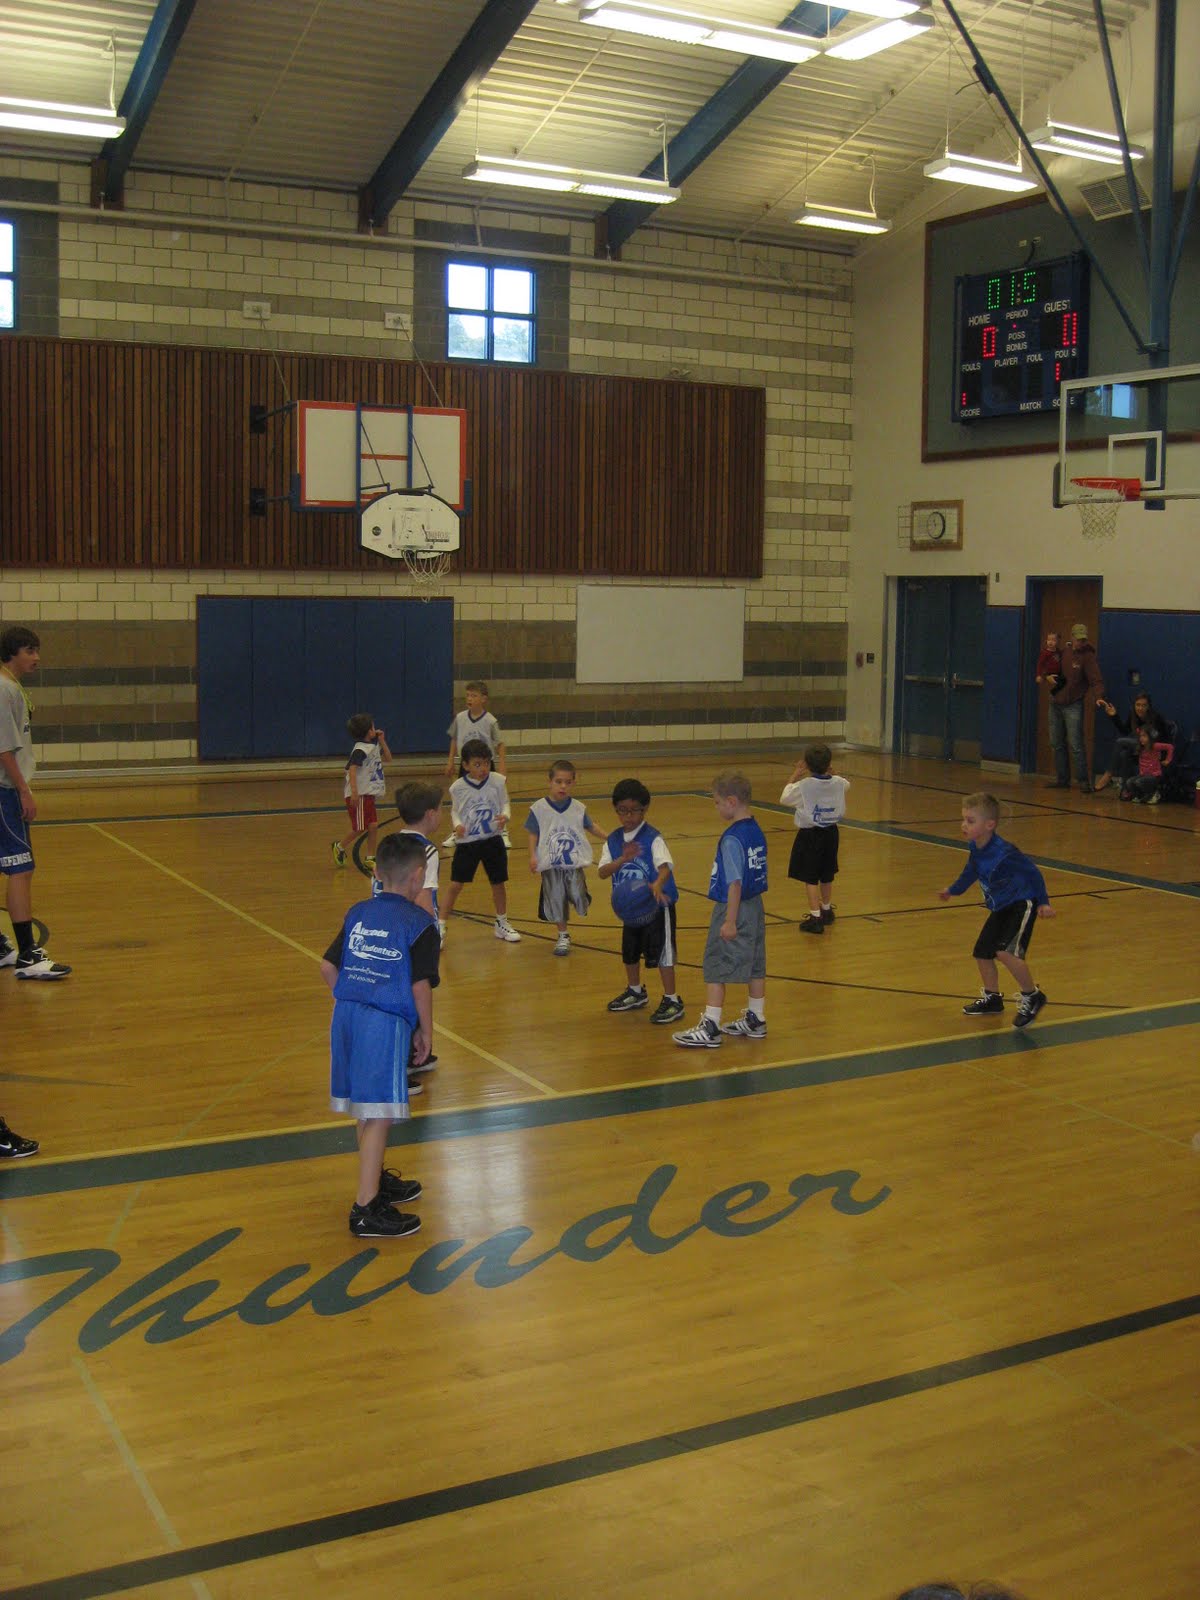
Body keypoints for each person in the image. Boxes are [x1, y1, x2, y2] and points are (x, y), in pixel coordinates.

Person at [320, 832, 436, 1239]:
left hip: (345, 1016)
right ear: (418, 876)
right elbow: (420, 986)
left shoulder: (358, 912)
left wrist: (354, 996)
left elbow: (327, 967)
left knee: (367, 1110)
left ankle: (375, 1180)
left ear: (378, 874)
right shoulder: (420, 923)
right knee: (381, 1113)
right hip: (383, 1023)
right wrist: (426, 1031)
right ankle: (366, 1208)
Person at [939, 792, 1054, 1028]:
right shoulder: (976, 847)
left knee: (1005, 952)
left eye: (970, 821)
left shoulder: (1005, 852)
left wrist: (1043, 902)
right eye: (963, 819)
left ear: (989, 825)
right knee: (983, 952)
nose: (964, 825)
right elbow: (970, 872)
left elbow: (1033, 873)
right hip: (1001, 907)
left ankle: (1032, 995)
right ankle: (992, 998)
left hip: (1022, 903)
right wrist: (953, 890)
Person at [673, 770, 768, 1048]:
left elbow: (734, 882)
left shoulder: (732, 838)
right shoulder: (755, 829)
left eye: (716, 802)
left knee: (715, 963)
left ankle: (711, 1026)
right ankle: (756, 1018)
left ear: (731, 801)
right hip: (755, 906)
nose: (715, 807)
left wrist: (729, 921)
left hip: (734, 906)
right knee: (755, 963)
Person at [0, 625, 71, 979]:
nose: (37, 657)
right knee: (21, 868)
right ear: (11, 653)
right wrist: (23, 790)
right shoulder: (4, 689)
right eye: (29, 650)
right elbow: (3, 749)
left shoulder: (11, 687)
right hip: (4, 792)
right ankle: (28, 954)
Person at [596, 778, 685, 1025]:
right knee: (630, 952)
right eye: (622, 810)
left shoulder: (652, 837)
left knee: (663, 955)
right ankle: (636, 992)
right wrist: (621, 860)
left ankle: (672, 1000)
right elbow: (602, 872)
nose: (628, 816)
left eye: (634, 810)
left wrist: (657, 883)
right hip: (631, 909)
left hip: (657, 906)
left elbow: (665, 866)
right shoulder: (613, 840)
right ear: (615, 810)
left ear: (644, 809)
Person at [441, 739, 521, 942]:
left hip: (492, 840)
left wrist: (505, 816)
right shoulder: (457, 787)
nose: (483, 768)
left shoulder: (498, 781)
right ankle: (440, 925)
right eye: (477, 764)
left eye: (486, 763)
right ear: (466, 765)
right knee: (455, 885)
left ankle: (501, 922)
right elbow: (455, 811)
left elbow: (505, 803)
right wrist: (457, 825)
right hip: (468, 843)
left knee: (498, 883)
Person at [525, 758, 606, 956]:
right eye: (559, 782)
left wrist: (609, 837)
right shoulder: (539, 808)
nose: (563, 786)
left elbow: (590, 826)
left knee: (578, 895)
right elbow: (533, 833)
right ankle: (563, 935)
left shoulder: (578, 808)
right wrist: (533, 855)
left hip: (572, 863)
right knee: (557, 899)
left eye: (568, 782)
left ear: (573, 783)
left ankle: (581, 894)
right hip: (551, 863)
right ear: (550, 782)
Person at [781, 741, 849, 935]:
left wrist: (796, 774)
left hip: (810, 835)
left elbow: (785, 798)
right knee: (827, 873)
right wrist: (833, 773)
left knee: (810, 877)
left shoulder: (804, 786)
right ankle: (826, 910)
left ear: (807, 765)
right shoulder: (839, 782)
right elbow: (846, 784)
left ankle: (815, 917)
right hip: (831, 833)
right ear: (828, 763)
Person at [445, 680, 508, 846]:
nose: (469, 698)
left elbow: (500, 744)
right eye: (467, 695)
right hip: (467, 765)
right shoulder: (460, 718)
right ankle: (458, 830)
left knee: (493, 798)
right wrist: (450, 761)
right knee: (463, 798)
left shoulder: (490, 721)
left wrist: (502, 765)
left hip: (486, 765)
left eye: (474, 695)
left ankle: (502, 830)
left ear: (483, 699)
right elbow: (454, 739)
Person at [1046, 621, 1103, 793]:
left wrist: (1099, 697)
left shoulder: (1088, 657)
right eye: (1078, 639)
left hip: (1073, 704)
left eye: (1083, 640)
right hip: (1056, 702)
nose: (1081, 643)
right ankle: (1062, 779)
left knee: (1076, 744)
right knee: (1056, 742)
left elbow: (1096, 680)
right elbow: (1050, 667)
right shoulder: (1065, 652)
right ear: (1072, 637)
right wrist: (1047, 676)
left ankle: (1083, 781)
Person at [332, 713, 391, 868]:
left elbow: (388, 758)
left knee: (373, 825)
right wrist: (354, 792)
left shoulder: (372, 747)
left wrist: (382, 741)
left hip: (368, 794)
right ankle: (339, 847)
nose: (375, 729)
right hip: (359, 794)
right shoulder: (360, 750)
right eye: (373, 727)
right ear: (368, 731)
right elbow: (352, 769)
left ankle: (370, 857)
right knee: (360, 827)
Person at [1093, 691, 1172, 792]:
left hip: (1154, 750)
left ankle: (1108, 774)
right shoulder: (1133, 715)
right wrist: (1114, 716)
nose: (1140, 708)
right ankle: (1127, 789)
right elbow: (1125, 731)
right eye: (1138, 705)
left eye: (1144, 705)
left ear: (1148, 707)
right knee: (1124, 754)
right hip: (1142, 749)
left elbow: (1159, 741)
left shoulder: (1156, 718)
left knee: (1120, 742)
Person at [1120, 723, 1174, 804]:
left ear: (1150, 737)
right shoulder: (1140, 748)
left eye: (1144, 736)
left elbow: (1170, 747)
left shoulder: (1155, 746)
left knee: (1139, 782)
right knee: (1129, 782)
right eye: (1140, 736)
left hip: (1154, 776)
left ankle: (1154, 793)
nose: (1141, 738)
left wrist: (1168, 760)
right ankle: (1140, 796)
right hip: (1143, 775)